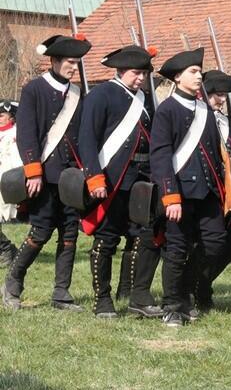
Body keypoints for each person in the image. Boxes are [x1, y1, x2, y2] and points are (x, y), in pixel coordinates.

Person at [1, 35, 90, 312]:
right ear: (54, 61)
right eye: (70, 62)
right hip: (44, 173)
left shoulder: (77, 93)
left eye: (76, 63)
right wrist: (33, 171)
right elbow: (27, 133)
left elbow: (81, 136)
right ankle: (13, 283)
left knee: (70, 233)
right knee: (40, 232)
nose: (74, 67)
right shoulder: (34, 90)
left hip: (70, 176)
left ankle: (61, 293)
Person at [76, 45, 163, 319]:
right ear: (121, 70)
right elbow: (87, 139)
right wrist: (94, 177)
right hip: (113, 179)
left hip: (142, 179)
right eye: (137, 73)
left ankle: (134, 295)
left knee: (141, 238)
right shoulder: (101, 95)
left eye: (144, 73)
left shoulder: (145, 99)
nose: (141, 78)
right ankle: (102, 300)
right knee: (106, 239)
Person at [150, 47, 228, 327]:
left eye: (199, 72)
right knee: (176, 249)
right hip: (180, 192)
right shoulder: (167, 110)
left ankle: (185, 291)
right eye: (193, 72)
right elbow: (160, 155)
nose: (199, 76)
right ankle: (172, 305)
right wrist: (170, 195)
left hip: (207, 191)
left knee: (215, 242)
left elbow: (214, 152)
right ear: (177, 77)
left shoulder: (205, 110)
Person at [191, 69, 231, 311]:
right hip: (202, 188)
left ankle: (203, 283)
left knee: (230, 242)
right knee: (200, 242)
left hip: (227, 189)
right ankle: (192, 288)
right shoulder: (194, 117)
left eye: (223, 95)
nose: (221, 100)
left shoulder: (226, 121)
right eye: (216, 94)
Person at [0, 100, 21, 266]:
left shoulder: (16, 134)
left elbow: (16, 161)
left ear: (11, 117)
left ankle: (6, 249)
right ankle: (7, 249)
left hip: (6, 179)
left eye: (1, 115)